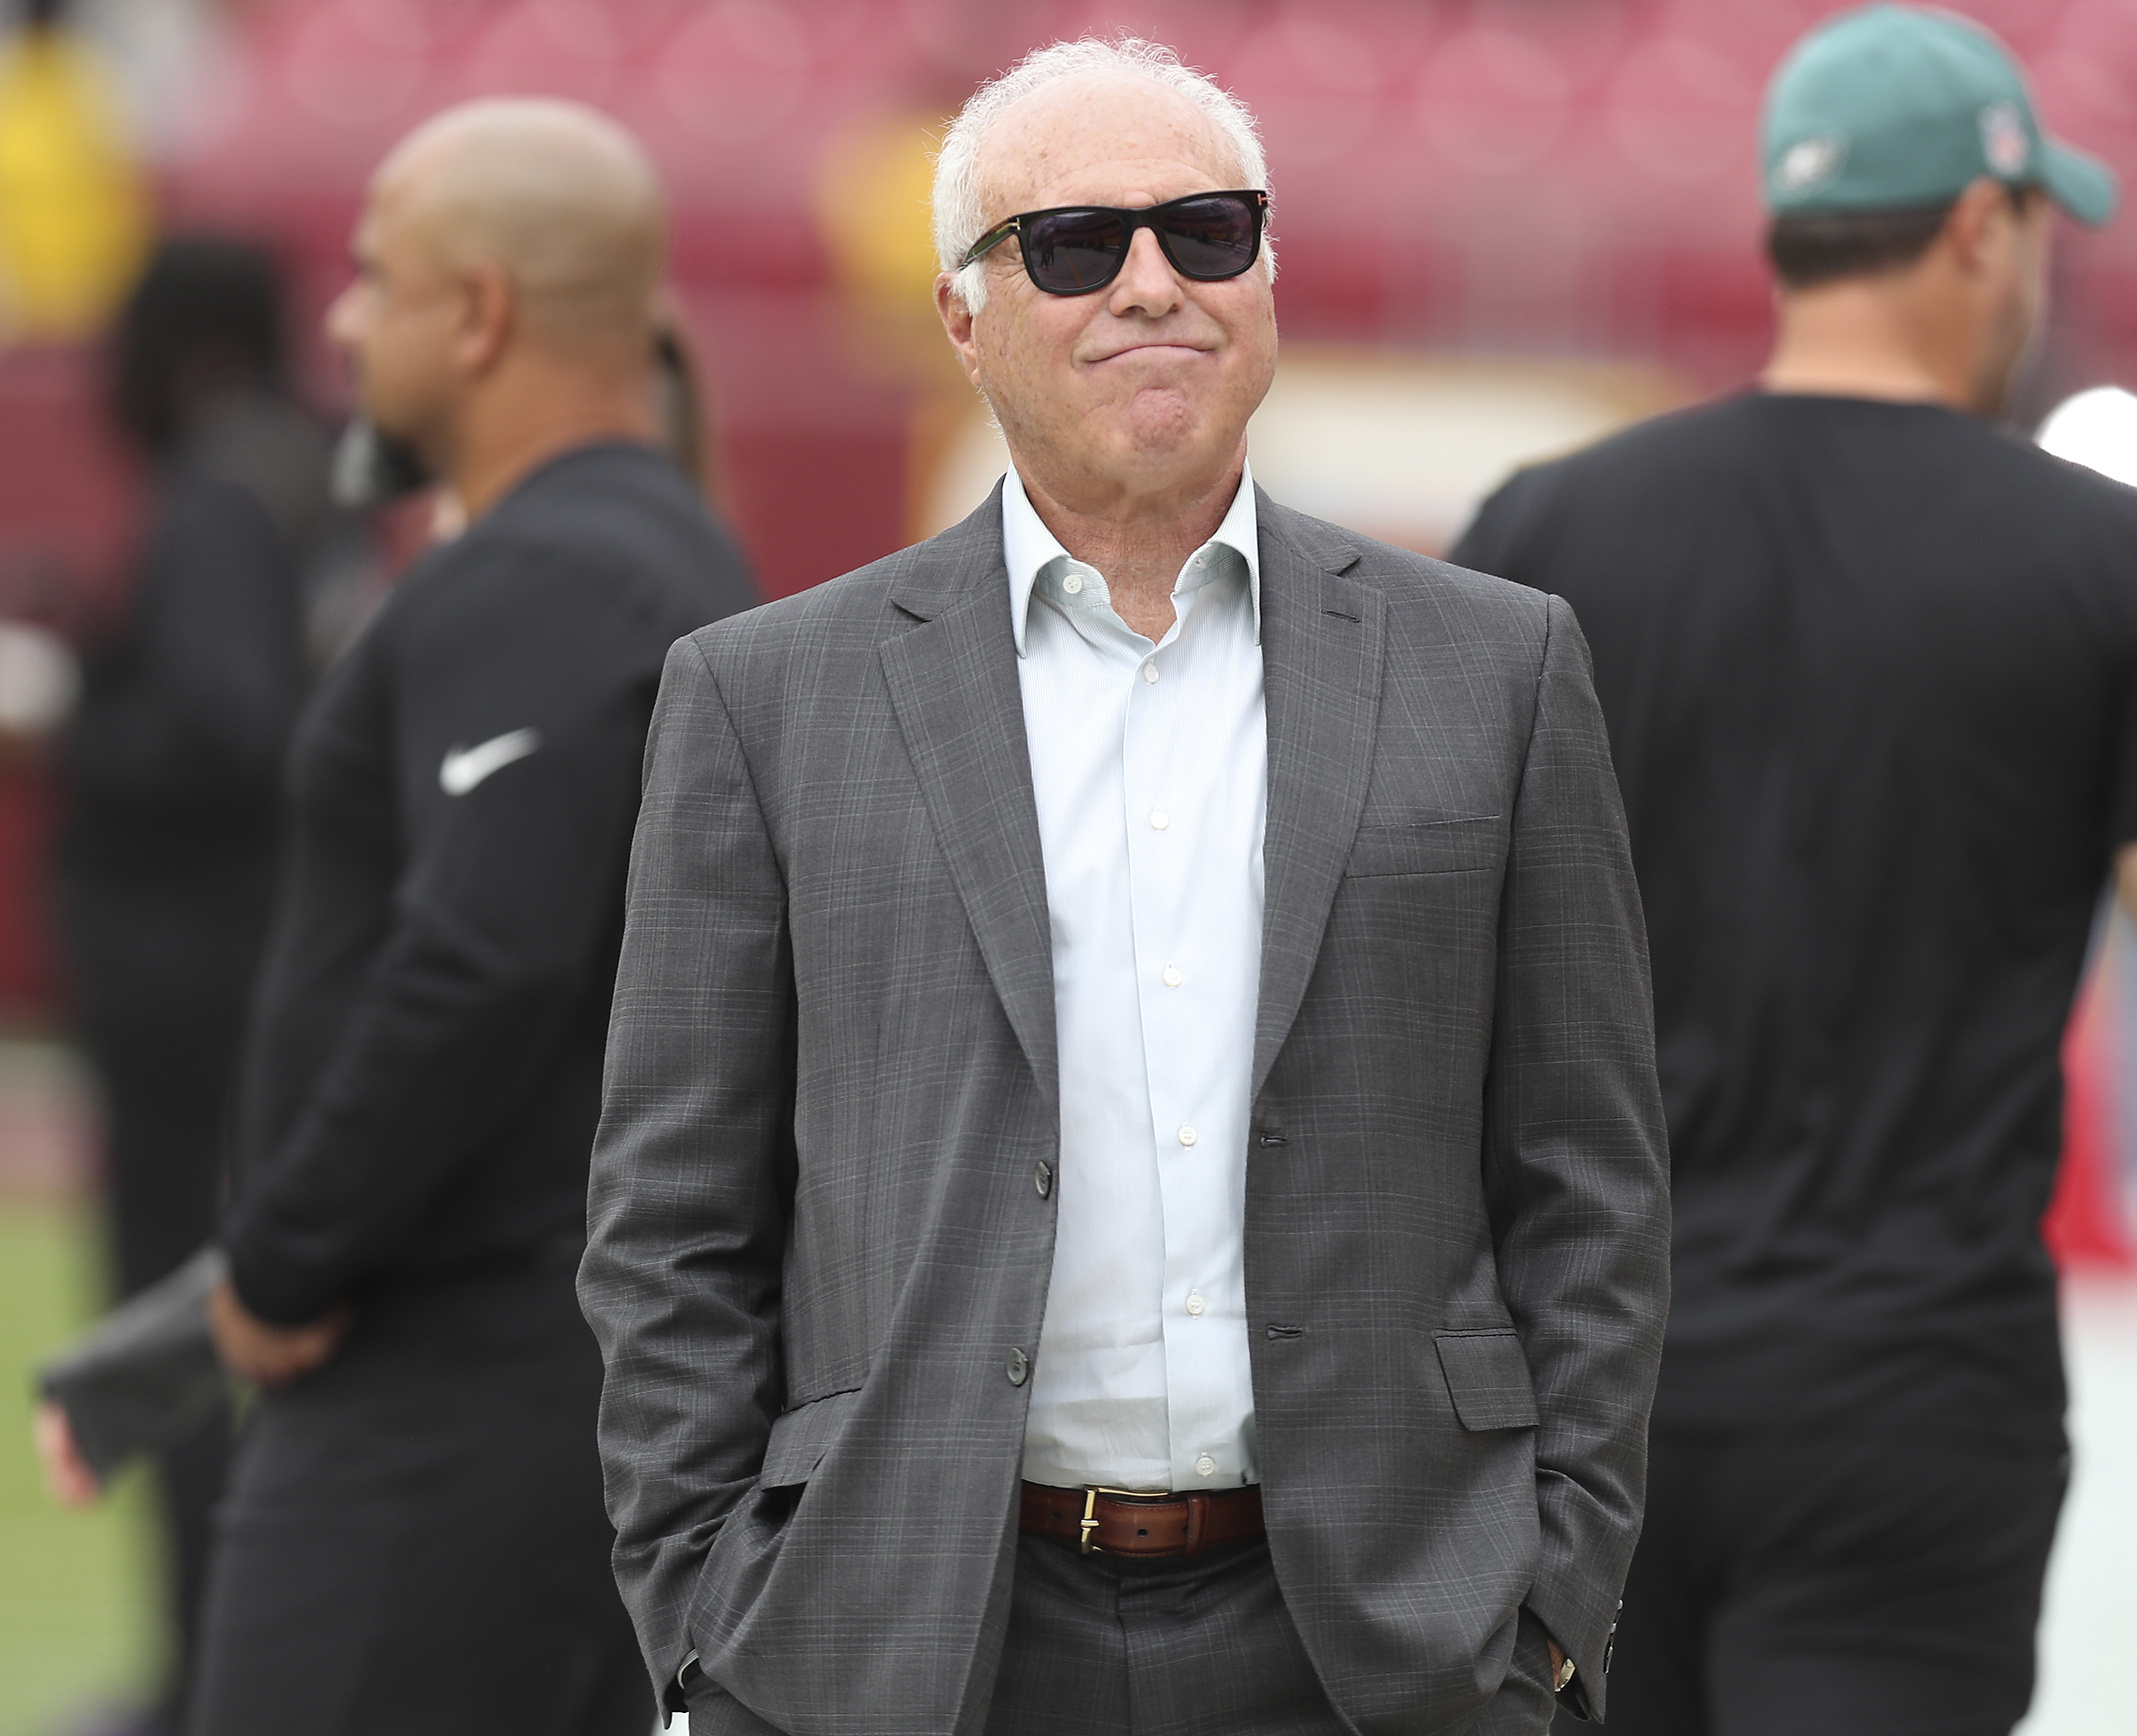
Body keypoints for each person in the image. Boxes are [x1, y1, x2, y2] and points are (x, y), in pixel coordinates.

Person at [580, 36, 1670, 1736]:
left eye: (1208, 231)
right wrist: (713, 1626)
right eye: (1077, 244)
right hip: (906, 1643)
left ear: (1268, 275)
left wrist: (1546, 1609)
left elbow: (1588, 1180)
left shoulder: (1501, 668)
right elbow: (672, 1221)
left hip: (1387, 1645)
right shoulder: (764, 695)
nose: (1151, 282)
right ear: (964, 313)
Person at [1449, 10, 2129, 1734]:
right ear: (1983, 227)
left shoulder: (1547, 529)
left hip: (1584, 1391)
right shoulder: (2098, 562)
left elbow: (1420, 969)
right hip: (1911, 1404)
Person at [190, 98, 756, 1736]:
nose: (346, 322)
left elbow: (477, 962)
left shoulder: (553, 573)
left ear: (482, 310)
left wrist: (281, 1258)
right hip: (554, 1381)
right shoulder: (654, 549)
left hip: (458, 1383)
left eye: (374, 278)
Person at [53, 234, 323, 1736]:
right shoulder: (296, 473)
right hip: (251, 956)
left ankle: (197, 1680)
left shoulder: (219, 490)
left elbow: (230, 723)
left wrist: (83, 710)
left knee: (178, 1318)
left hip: (181, 969)